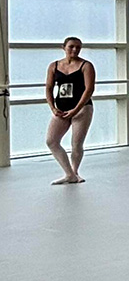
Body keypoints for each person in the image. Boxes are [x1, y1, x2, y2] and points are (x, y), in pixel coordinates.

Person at [45, 37, 96, 185]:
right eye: (71, 47)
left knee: (76, 143)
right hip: (61, 109)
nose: (74, 50)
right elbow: (48, 87)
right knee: (51, 141)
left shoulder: (86, 66)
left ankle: (75, 171)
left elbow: (89, 89)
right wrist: (53, 108)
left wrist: (76, 110)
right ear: (64, 47)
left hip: (82, 108)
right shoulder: (54, 66)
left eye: (78, 47)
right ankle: (69, 174)